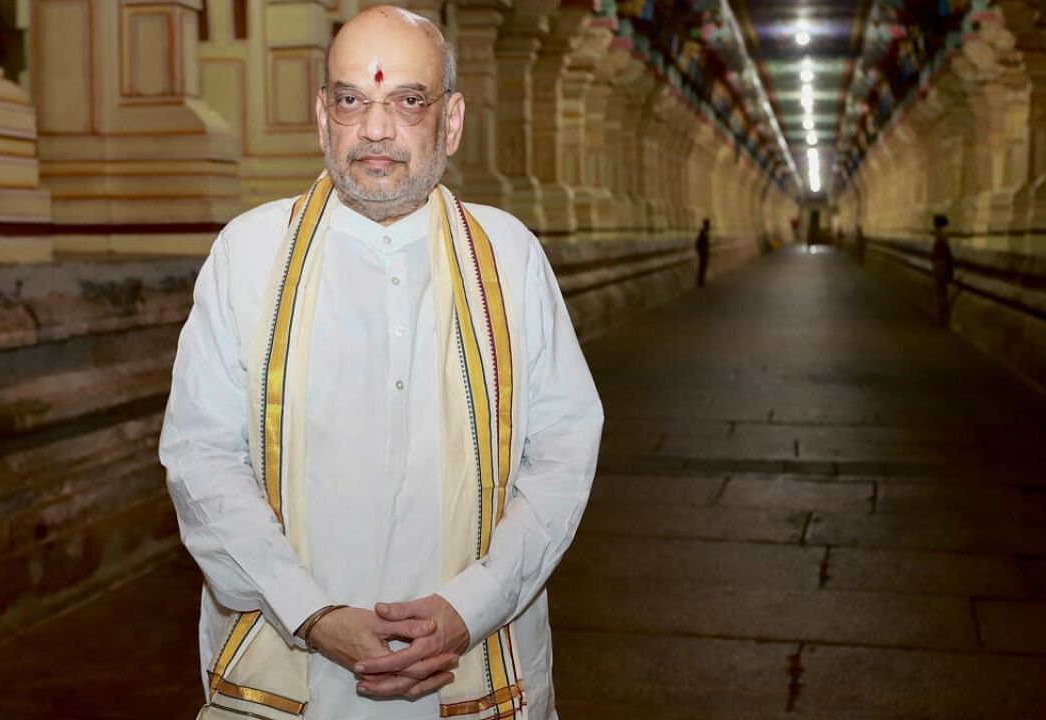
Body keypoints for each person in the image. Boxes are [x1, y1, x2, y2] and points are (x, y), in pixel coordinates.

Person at [158, 7, 603, 720]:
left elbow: (563, 452)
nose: (374, 128)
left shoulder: (509, 256)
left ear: (450, 121)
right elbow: (201, 455)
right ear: (321, 116)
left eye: (407, 100)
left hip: (472, 665)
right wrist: (310, 612)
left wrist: (472, 605)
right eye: (351, 99)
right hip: (293, 663)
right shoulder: (248, 255)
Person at [931, 214, 953, 326]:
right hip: (941, 264)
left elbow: (946, 252)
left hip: (940, 265)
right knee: (940, 291)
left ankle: (940, 318)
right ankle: (940, 318)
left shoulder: (941, 235)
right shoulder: (942, 235)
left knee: (939, 292)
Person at [695, 217, 711, 287]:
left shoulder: (706, 232)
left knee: (704, 266)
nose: (709, 226)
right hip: (703, 252)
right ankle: (700, 281)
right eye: (708, 224)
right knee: (702, 266)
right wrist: (700, 250)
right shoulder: (703, 232)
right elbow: (699, 242)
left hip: (704, 252)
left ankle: (702, 280)